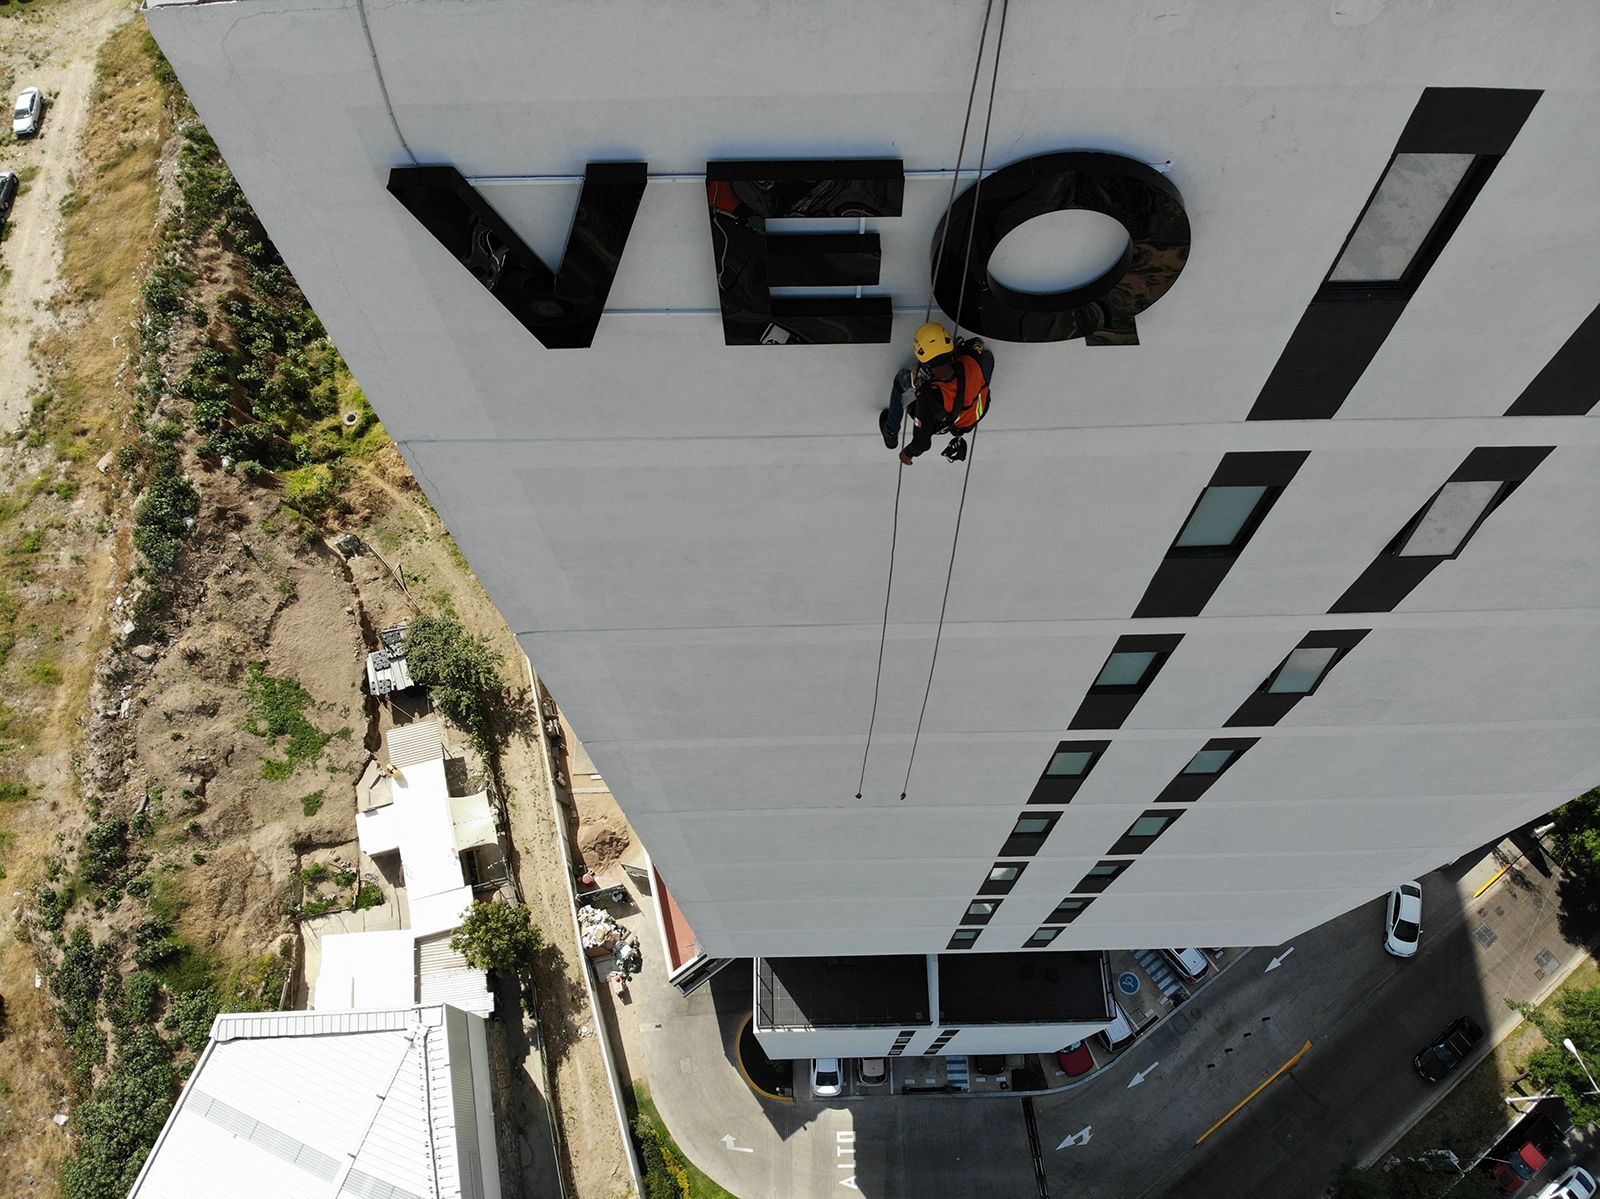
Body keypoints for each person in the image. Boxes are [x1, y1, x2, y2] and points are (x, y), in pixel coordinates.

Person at [878, 322, 995, 464]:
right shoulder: (970, 361)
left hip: (945, 420)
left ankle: (891, 432)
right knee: (987, 358)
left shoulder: (928, 398)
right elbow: (977, 342)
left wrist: (907, 454)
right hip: (971, 416)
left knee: (902, 379)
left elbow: (922, 443)